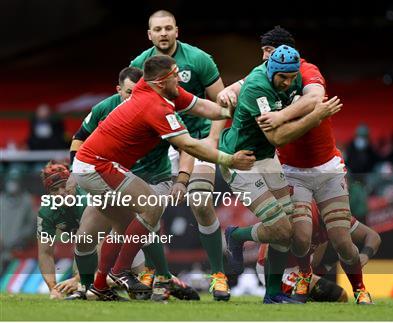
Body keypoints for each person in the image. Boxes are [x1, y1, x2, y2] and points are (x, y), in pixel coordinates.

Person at [72, 55, 254, 301]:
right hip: (97, 166)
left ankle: (100, 286)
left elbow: (205, 107)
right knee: (151, 206)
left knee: (123, 222)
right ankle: (121, 271)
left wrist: (229, 105)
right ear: (160, 81)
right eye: (175, 75)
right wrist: (230, 160)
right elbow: (189, 145)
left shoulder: (162, 91)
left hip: (95, 165)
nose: (179, 78)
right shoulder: (154, 106)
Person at [221, 26, 375, 304]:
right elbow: (276, 133)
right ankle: (238, 237)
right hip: (247, 160)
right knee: (288, 230)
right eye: (264, 55)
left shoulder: (299, 73)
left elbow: (315, 97)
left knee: (326, 237)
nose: (264, 59)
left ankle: (278, 294)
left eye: (268, 52)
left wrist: (278, 113)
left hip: (304, 164)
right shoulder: (261, 81)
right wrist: (228, 94)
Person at [68, 67, 199, 301]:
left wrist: (182, 179)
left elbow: (186, 147)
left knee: (144, 218)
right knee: (86, 236)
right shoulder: (106, 108)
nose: (133, 97)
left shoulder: (158, 108)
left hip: (153, 178)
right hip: (110, 176)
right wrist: (71, 170)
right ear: (119, 90)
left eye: (137, 91)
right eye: (128, 92)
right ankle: (92, 287)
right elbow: (80, 137)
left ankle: (158, 280)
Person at [130, 10, 231, 300]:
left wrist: (213, 140)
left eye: (168, 28)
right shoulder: (139, 64)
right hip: (160, 145)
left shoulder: (199, 59)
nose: (163, 33)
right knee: (147, 209)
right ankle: (157, 276)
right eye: (157, 29)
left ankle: (218, 276)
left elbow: (222, 103)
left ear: (177, 31)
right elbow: (129, 105)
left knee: (199, 201)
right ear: (149, 34)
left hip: (197, 140)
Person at [36, 161, 147, 300]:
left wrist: (77, 279)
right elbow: (45, 253)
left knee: (145, 288)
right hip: (100, 250)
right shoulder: (46, 212)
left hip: (127, 245)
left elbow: (103, 239)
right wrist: (53, 288)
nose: (61, 193)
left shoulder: (89, 198)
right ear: (49, 193)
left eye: (64, 186)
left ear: (71, 183)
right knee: (82, 252)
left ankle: (148, 279)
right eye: (54, 190)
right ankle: (96, 287)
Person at [256, 208, 381, 304]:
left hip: (304, 266)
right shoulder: (302, 213)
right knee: (334, 293)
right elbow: (269, 250)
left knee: (340, 296)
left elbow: (372, 236)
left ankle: (305, 293)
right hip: (277, 269)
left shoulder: (337, 215)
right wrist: (272, 286)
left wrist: (365, 255)